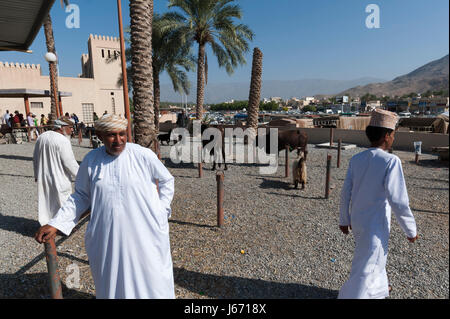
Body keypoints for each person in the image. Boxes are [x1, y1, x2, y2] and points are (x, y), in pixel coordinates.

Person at [34, 114, 175, 299]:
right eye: (111, 135)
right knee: (112, 282)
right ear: (99, 136)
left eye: (122, 134)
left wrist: (161, 211)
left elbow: (167, 180)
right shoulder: (91, 160)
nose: (118, 140)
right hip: (108, 237)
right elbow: (81, 197)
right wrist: (56, 223)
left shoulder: (142, 155)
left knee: (152, 280)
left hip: (146, 233)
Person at [338, 109, 418, 299]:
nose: (393, 138)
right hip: (376, 224)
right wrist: (411, 230)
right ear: (387, 136)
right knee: (367, 265)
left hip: (358, 221)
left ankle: (380, 291)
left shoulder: (357, 159)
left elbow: (345, 192)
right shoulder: (391, 161)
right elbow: (398, 200)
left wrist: (344, 219)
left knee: (375, 258)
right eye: (393, 135)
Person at [33, 117, 79, 226]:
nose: (72, 130)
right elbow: (70, 163)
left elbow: (35, 158)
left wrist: (36, 174)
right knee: (63, 202)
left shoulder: (42, 137)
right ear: (62, 127)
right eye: (70, 127)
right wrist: (82, 176)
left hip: (43, 176)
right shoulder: (63, 140)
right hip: (59, 177)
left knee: (47, 201)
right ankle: (62, 227)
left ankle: (48, 224)